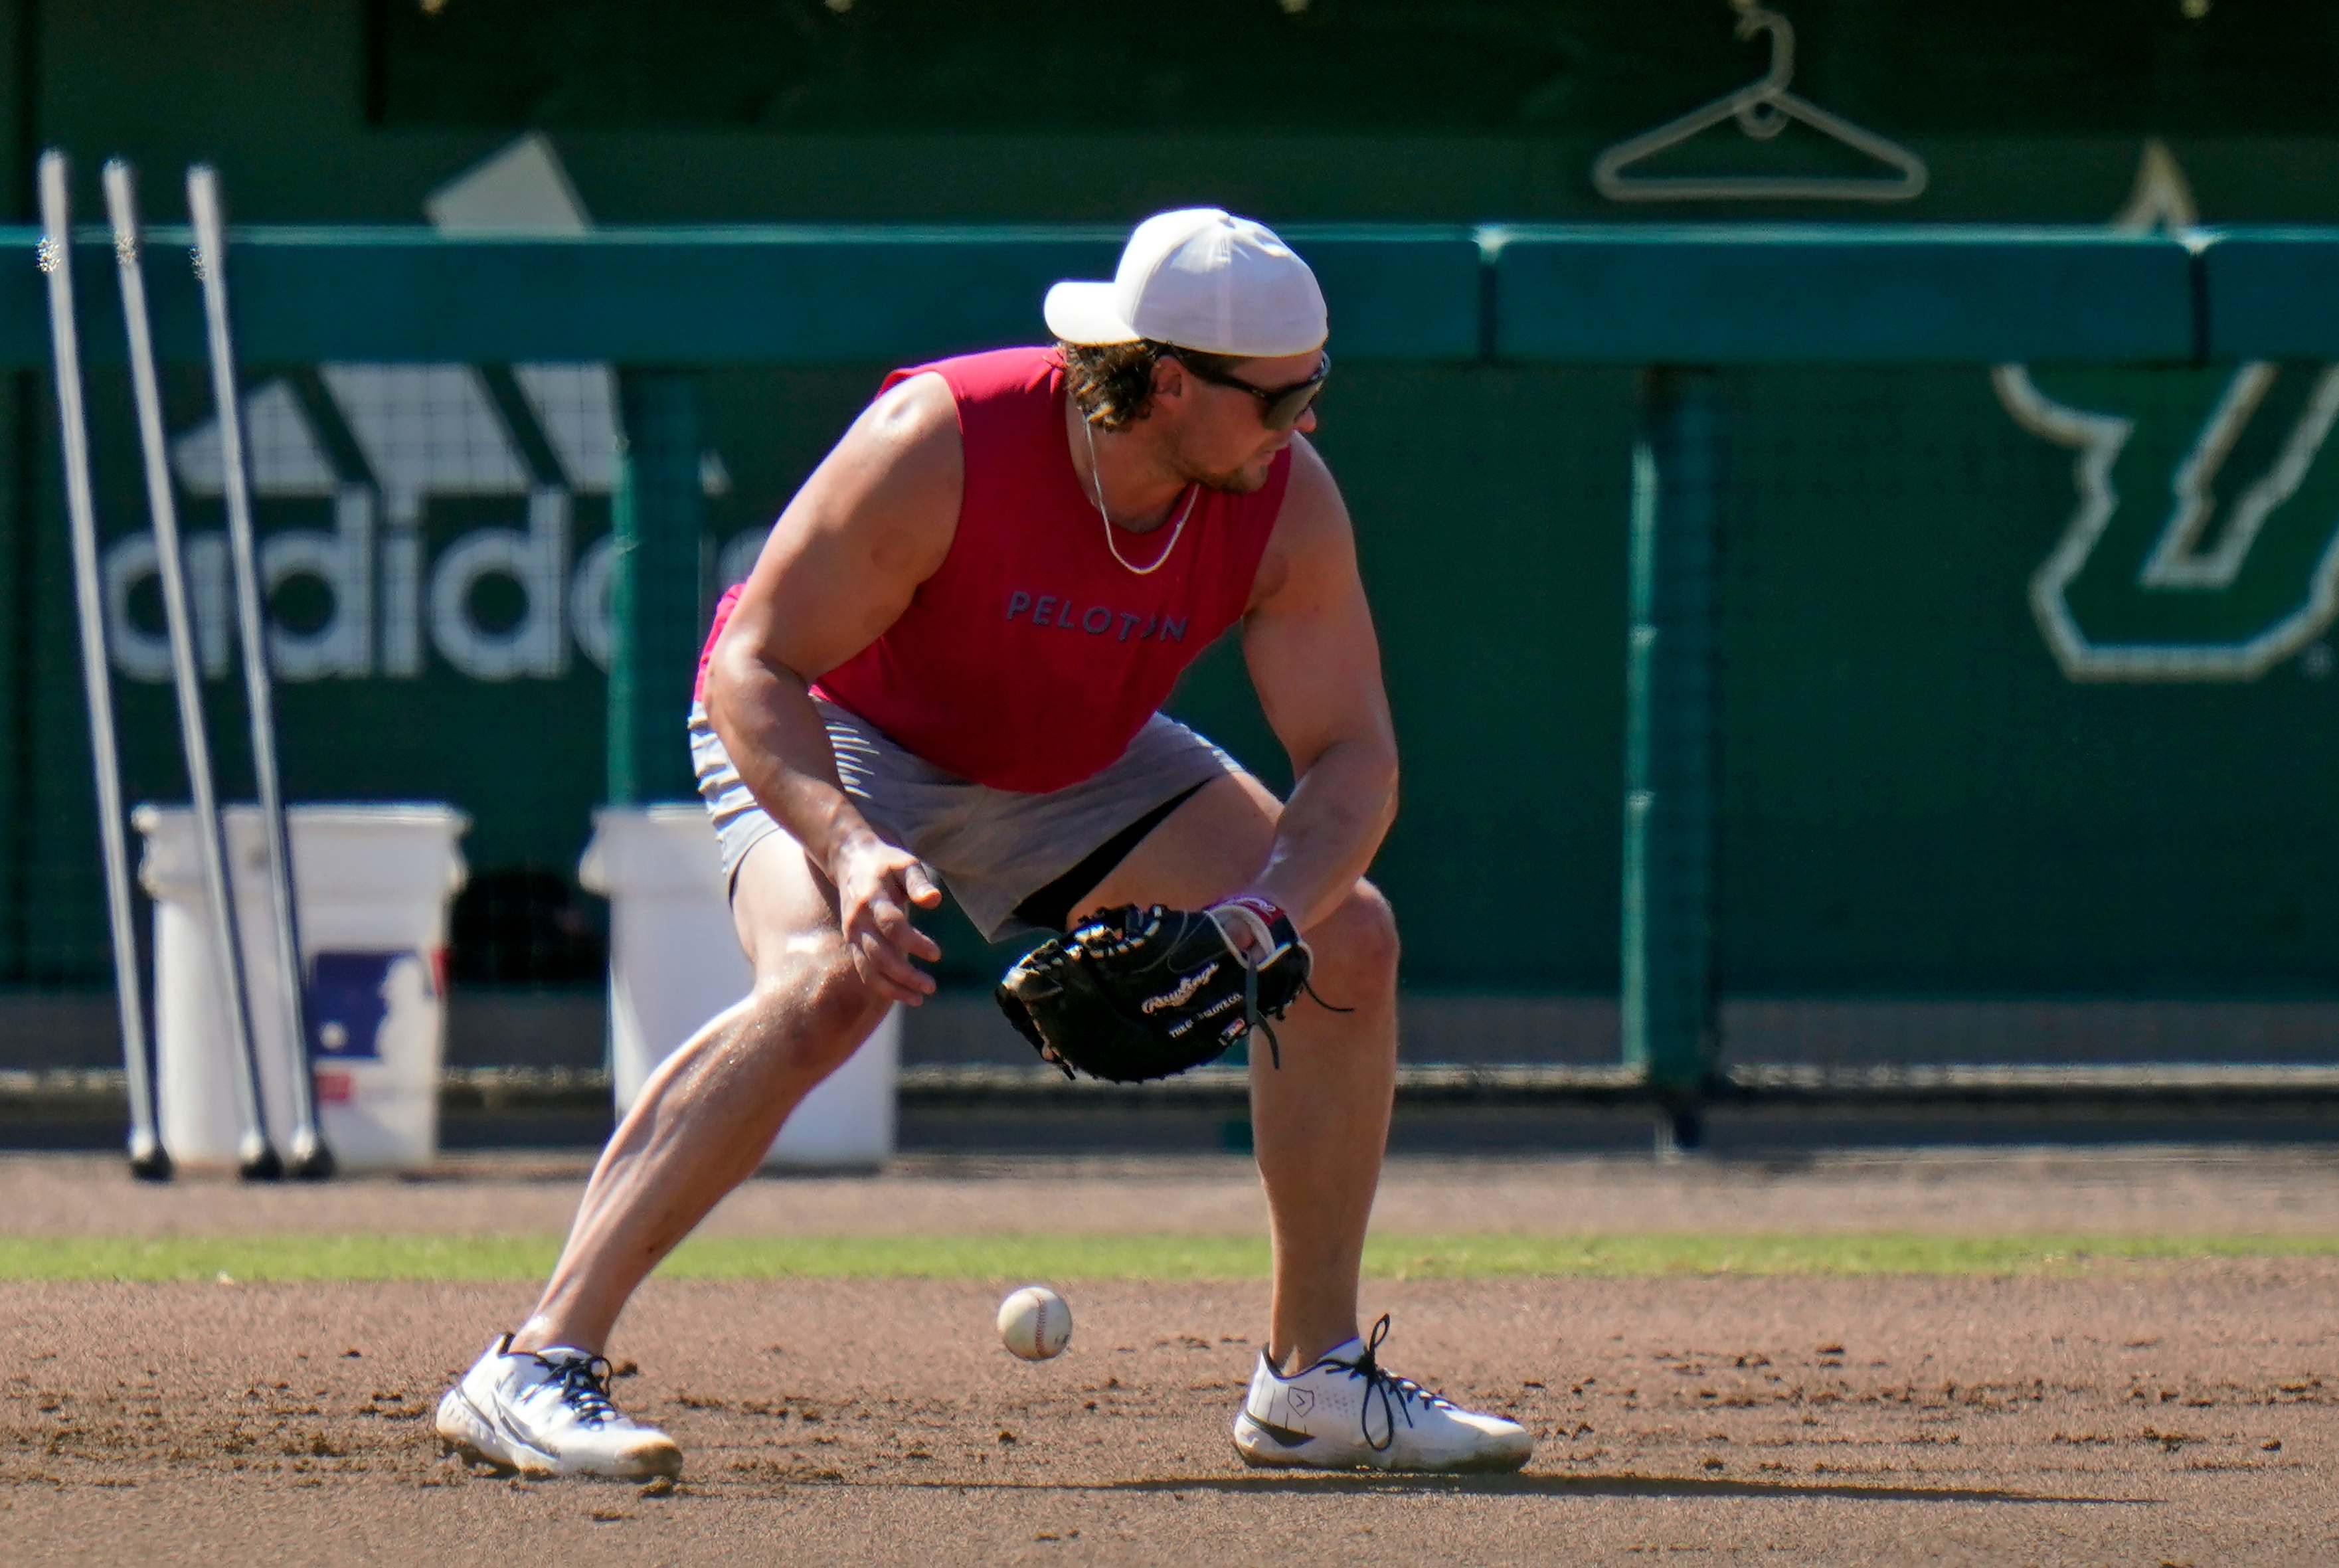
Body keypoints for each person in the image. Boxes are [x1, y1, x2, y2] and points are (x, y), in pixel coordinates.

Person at [434, 209, 1533, 1478]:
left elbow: (1353, 759)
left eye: (1313, 390)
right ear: (1167, 378)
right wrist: (849, 852)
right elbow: (755, 665)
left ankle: (1312, 1381)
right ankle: (531, 1361)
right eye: (1281, 399)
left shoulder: (1281, 500)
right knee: (826, 985)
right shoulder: (945, 439)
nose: (1306, 423)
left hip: (1069, 759)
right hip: (842, 725)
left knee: (1347, 936)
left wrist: (1263, 917)